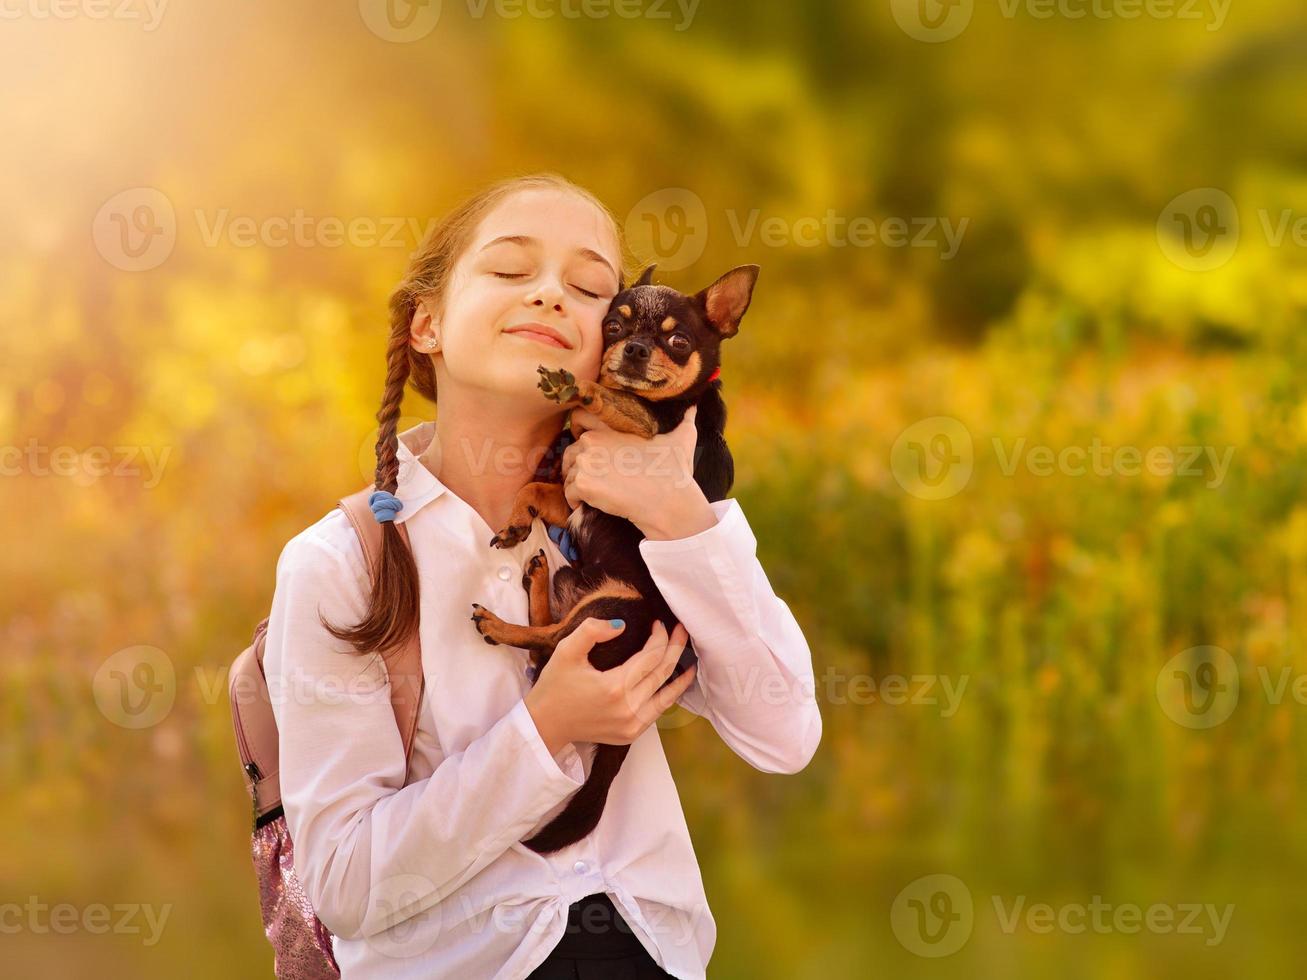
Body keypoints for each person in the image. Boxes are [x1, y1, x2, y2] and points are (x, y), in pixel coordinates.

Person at [263, 173, 822, 979]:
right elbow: (345, 886)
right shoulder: (341, 561)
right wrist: (544, 730)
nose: (554, 295)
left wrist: (678, 514)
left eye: (591, 285)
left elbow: (784, 734)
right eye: (510, 270)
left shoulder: (649, 526)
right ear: (426, 323)